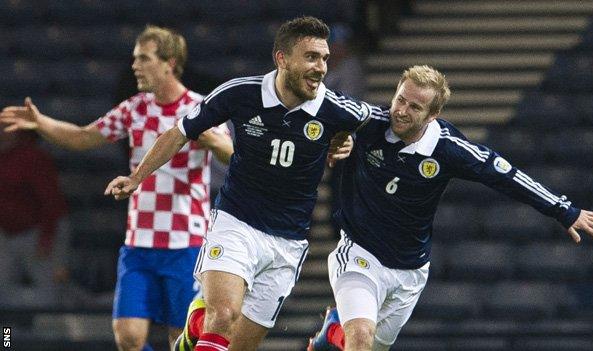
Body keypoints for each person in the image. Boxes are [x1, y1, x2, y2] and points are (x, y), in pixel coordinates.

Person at [104, 16, 375, 351]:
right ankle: (204, 322)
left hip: (288, 242)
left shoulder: (334, 107)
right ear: (282, 58)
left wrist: (346, 138)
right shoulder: (242, 92)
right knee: (223, 315)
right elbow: (179, 133)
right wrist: (136, 178)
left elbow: (381, 126)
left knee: (238, 345)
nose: (320, 67)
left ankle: (194, 328)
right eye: (310, 57)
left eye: (324, 58)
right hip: (237, 223)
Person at [307, 65, 593, 351]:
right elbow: (327, 105)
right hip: (360, 254)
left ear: (433, 114)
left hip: (410, 271)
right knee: (361, 337)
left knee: (370, 345)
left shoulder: (449, 149)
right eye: (400, 99)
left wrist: (563, 210)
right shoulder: (370, 123)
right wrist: (338, 137)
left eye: (415, 107)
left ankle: (334, 330)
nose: (401, 111)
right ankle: (343, 329)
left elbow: (508, 176)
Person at [0, 26, 233, 351]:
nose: (135, 66)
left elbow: (228, 152)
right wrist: (43, 124)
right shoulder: (134, 108)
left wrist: (213, 139)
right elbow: (84, 137)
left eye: (143, 58)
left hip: (186, 245)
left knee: (180, 341)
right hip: (138, 243)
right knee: (128, 339)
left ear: (170, 62)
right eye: (134, 59)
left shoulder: (200, 108)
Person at [0, 129, 71, 307]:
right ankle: (7, 335)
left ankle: (52, 334)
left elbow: (51, 200)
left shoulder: (33, 157)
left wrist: (47, 237)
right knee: (4, 293)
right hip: (7, 233)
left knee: (50, 293)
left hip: (39, 230)